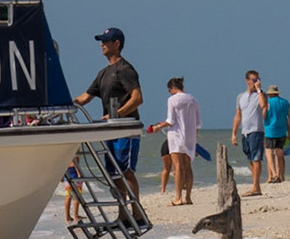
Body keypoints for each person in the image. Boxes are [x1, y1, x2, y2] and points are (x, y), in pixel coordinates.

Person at [73, 27, 144, 198]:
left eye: (105, 41)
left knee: (125, 171)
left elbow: (137, 98)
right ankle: (123, 216)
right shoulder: (103, 73)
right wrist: (65, 103)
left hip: (125, 129)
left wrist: (117, 114)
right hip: (110, 130)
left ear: (117, 44)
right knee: (113, 173)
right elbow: (85, 97)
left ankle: (136, 213)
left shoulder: (125, 69)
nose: (101, 44)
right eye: (101, 41)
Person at [146, 77, 201, 205]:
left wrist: (157, 127)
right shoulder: (193, 99)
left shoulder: (172, 100)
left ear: (172, 88)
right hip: (190, 136)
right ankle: (188, 197)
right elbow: (198, 123)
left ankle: (178, 197)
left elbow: (170, 121)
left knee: (178, 166)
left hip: (176, 136)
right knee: (188, 166)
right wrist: (195, 140)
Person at [232, 70, 269, 196]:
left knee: (256, 158)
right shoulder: (240, 97)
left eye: (258, 79)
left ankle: (256, 186)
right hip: (245, 131)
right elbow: (238, 116)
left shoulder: (261, 95)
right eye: (254, 80)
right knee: (250, 158)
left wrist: (259, 90)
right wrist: (234, 133)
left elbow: (264, 105)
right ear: (247, 81)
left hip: (256, 130)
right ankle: (255, 183)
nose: (256, 82)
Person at [262, 83, 290, 183]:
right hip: (282, 131)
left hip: (269, 131)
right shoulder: (286, 103)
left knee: (269, 153)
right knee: (279, 154)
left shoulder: (267, 103)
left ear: (269, 94)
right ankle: (280, 175)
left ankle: (274, 174)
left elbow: (263, 117)